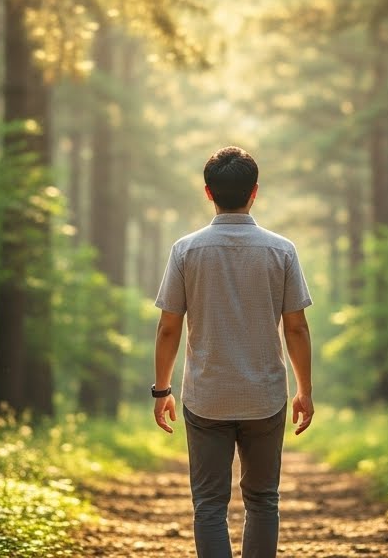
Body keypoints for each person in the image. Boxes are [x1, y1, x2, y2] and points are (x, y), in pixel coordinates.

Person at [151, 145, 314, 558]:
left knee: (209, 505)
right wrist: (305, 390)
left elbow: (169, 327)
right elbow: (296, 326)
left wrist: (161, 389)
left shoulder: (186, 250)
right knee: (263, 501)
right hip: (264, 396)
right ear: (254, 191)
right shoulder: (282, 250)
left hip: (207, 397)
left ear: (208, 193)